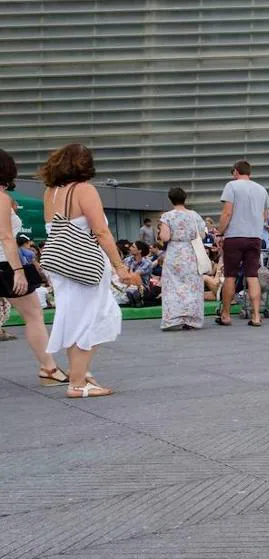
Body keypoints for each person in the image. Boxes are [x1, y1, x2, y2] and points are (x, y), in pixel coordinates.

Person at [39, 144, 141, 397]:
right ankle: (78, 382)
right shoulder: (84, 190)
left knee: (75, 319)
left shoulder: (50, 192)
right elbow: (101, 231)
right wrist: (120, 266)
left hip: (62, 266)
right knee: (99, 317)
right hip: (86, 265)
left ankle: (81, 375)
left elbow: (54, 230)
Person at [0, 149, 65, 382]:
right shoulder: (2, 198)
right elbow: (7, 238)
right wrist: (18, 271)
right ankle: (48, 368)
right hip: (5, 265)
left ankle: (48, 368)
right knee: (34, 316)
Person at [216, 160, 269, 327]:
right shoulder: (262, 189)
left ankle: (225, 315)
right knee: (252, 276)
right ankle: (256, 316)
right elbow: (265, 216)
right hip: (254, 237)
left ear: (235, 172)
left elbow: (227, 213)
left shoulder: (231, 186)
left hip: (234, 237)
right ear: (250, 172)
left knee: (230, 275)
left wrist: (220, 231)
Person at [158, 187, 208, 331]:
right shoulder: (194, 215)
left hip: (175, 253)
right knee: (193, 286)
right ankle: (192, 319)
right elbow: (203, 235)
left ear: (170, 199)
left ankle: (173, 319)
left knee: (173, 286)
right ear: (185, 198)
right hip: (191, 253)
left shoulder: (167, 216)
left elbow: (165, 237)